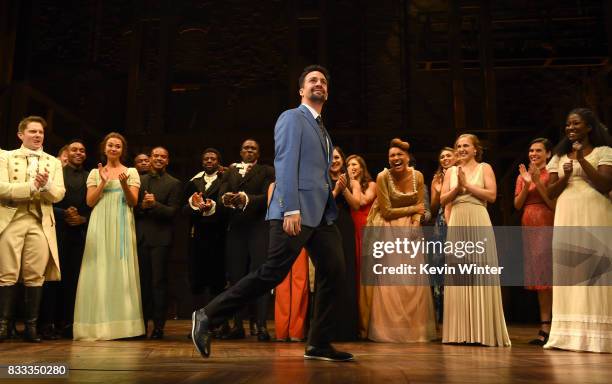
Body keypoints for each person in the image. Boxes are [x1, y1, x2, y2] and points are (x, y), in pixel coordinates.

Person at [192, 64, 353, 361]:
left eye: (323, 81)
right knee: (272, 272)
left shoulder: (324, 131)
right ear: (302, 90)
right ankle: (207, 315)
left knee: (335, 272)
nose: (319, 84)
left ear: (327, 92)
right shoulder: (293, 118)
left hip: (320, 215)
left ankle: (318, 343)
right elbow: (286, 162)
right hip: (295, 210)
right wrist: (290, 207)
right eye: (312, 80)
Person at [544, 108, 612, 353]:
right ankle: (567, 335)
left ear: (589, 127)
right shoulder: (560, 156)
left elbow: (605, 183)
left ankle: (598, 336)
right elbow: (550, 193)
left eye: (576, 124)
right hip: (567, 213)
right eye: (568, 124)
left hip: (594, 212)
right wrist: (565, 177)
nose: (570, 128)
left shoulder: (604, 152)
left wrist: (582, 159)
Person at [440, 133, 510, 347]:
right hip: (458, 220)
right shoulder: (451, 171)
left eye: (466, 146)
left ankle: (483, 331)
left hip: (478, 218)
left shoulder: (484, 168)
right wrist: (456, 189)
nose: (461, 149)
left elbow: (491, 195)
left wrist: (467, 187)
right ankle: (459, 332)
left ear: (475, 149)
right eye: (458, 146)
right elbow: (442, 200)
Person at [73, 132, 145, 340]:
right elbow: (89, 202)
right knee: (98, 268)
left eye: (118, 146)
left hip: (121, 221)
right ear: (104, 148)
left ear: (122, 150)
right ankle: (96, 326)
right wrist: (103, 182)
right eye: (110, 145)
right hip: (100, 222)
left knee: (120, 269)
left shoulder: (131, 172)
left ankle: (124, 327)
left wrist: (123, 184)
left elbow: (133, 202)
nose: (114, 149)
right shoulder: (95, 173)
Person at [363, 138, 436, 342]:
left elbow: (422, 204)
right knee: (392, 282)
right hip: (390, 230)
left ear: (407, 157)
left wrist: (415, 222)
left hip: (412, 231)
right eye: (392, 155)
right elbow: (386, 211)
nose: (395, 158)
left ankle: (415, 331)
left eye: (399, 155)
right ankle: (390, 330)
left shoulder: (418, 176)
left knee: (413, 281)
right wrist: (414, 209)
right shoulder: (382, 177)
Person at [0, 116, 65, 343]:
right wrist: (29, 187)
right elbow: (1, 187)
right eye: (33, 131)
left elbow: (58, 194)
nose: (38, 135)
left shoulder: (53, 162)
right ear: (21, 134)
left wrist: (45, 186)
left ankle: (31, 327)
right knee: (7, 273)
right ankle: (3, 326)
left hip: (39, 222)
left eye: (41, 132)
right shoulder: (5, 156)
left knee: (35, 275)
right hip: (12, 220)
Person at [218, 139, 275, 341]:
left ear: (258, 153)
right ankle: (237, 326)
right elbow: (220, 194)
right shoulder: (230, 172)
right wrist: (226, 199)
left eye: (253, 148)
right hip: (236, 229)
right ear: (241, 152)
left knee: (260, 276)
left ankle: (261, 326)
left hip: (258, 228)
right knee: (236, 278)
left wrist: (246, 199)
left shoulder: (266, 170)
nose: (249, 150)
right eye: (246, 148)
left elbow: (267, 197)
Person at [41, 139, 90, 339]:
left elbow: (94, 204)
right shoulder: (56, 173)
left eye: (82, 150)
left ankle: (69, 323)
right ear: (66, 153)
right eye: (74, 149)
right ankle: (47, 323)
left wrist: (82, 218)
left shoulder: (90, 176)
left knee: (73, 279)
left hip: (79, 232)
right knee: (52, 279)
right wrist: (65, 214)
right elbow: (45, 201)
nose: (78, 152)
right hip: (56, 229)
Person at [134, 146, 182, 339]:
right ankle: (141, 325)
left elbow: (173, 212)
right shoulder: (139, 180)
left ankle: (159, 326)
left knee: (158, 283)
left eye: (163, 156)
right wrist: (143, 206)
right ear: (150, 158)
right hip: (141, 237)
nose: (159, 159)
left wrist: (155, 205)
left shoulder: (174, 183)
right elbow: (133, 210)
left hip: (161, 239)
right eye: (156, 156)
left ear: (167, 160)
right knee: (142, 284)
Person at [513, 138, 555, 345]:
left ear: (548, 154)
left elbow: (553, 203)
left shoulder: (552, 172)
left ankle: (558, 324)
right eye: (531, 150)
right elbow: (518, 204)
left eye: (538, 150)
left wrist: (538, 181)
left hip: (548, 222)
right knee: (539, 279)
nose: (533, 154)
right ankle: (544, 325)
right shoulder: (523, 176)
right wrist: (527, 183)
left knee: (551, 276)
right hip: (529, 225)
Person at [183, 148, 227, 318]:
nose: (209, 161)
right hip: (197, 237)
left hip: (219, 236)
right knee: (197, 280)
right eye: (206, 158)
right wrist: (195, 207)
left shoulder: (226, 179)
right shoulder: (193, 182)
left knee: (217, 281)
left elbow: (229, 206)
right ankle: (197, 322)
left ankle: (216, 322)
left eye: (213, 158)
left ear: (218, 162)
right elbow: (183, 210)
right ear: (202, 162)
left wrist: (213, 207)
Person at [328, 146, 359, 341]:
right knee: (331, 272)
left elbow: (356, 204)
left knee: (347, 273)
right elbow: (322, 203)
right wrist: (336, 189)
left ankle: (347, 329)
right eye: (331, 158)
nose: (334, 161)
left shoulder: (351, 179)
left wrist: (344, 188)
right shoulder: (320, 178)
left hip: (345, 226)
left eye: (337, 157)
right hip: (328, 225)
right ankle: (327, 328)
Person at [346, 154, 377, 338]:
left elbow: (363, 202)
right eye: (349, 164)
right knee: (354, 275)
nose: (352, 167)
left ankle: (366, 324)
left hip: (366, 230)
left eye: (355, 164)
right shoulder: (347, 186)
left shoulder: (370, 184)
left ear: (362, 167)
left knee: (365, 277)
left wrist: (353, 184)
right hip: (351, 229)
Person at [428, 147, 456, 324]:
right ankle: (442, 317)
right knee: (440, 265)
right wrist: (438, 191)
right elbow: (432, 208)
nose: (445, 158)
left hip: (459, 216)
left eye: (448, 155)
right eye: (442, 156)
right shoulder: (436, 178)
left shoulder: (462, 173)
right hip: (441, 222)